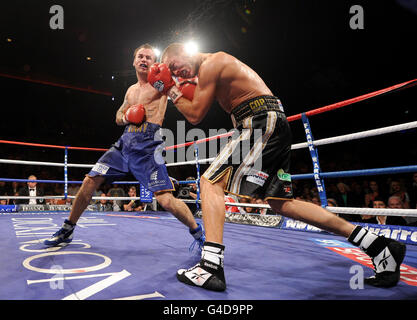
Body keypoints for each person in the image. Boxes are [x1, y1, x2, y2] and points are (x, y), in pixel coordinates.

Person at [147, 43, 407, 291]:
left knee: (210, 181)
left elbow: (194, 115)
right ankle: (378, 245)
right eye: (171, 71)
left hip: (260, 121)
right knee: (282, 204)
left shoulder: (214, 62)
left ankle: (211, 266)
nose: (175, 72)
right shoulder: (205, 72)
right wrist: (173, 86)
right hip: (267, 123)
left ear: (185, 51)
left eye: (174, 64)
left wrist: (169, 88)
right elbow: (193, 107)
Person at [44, 44, 205, 252]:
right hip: (124, 144)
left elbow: (191, 87)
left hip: (148, 146)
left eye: (149, 57)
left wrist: (172, 86)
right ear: (134, 61)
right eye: (141, 56)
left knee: (165, 200)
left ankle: (198, 233)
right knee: (89, 181)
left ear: (154, 62)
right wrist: (127, 116)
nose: (144, 60)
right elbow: (118, 117)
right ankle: (67, 229)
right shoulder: (131, 90)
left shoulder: (162, 83)